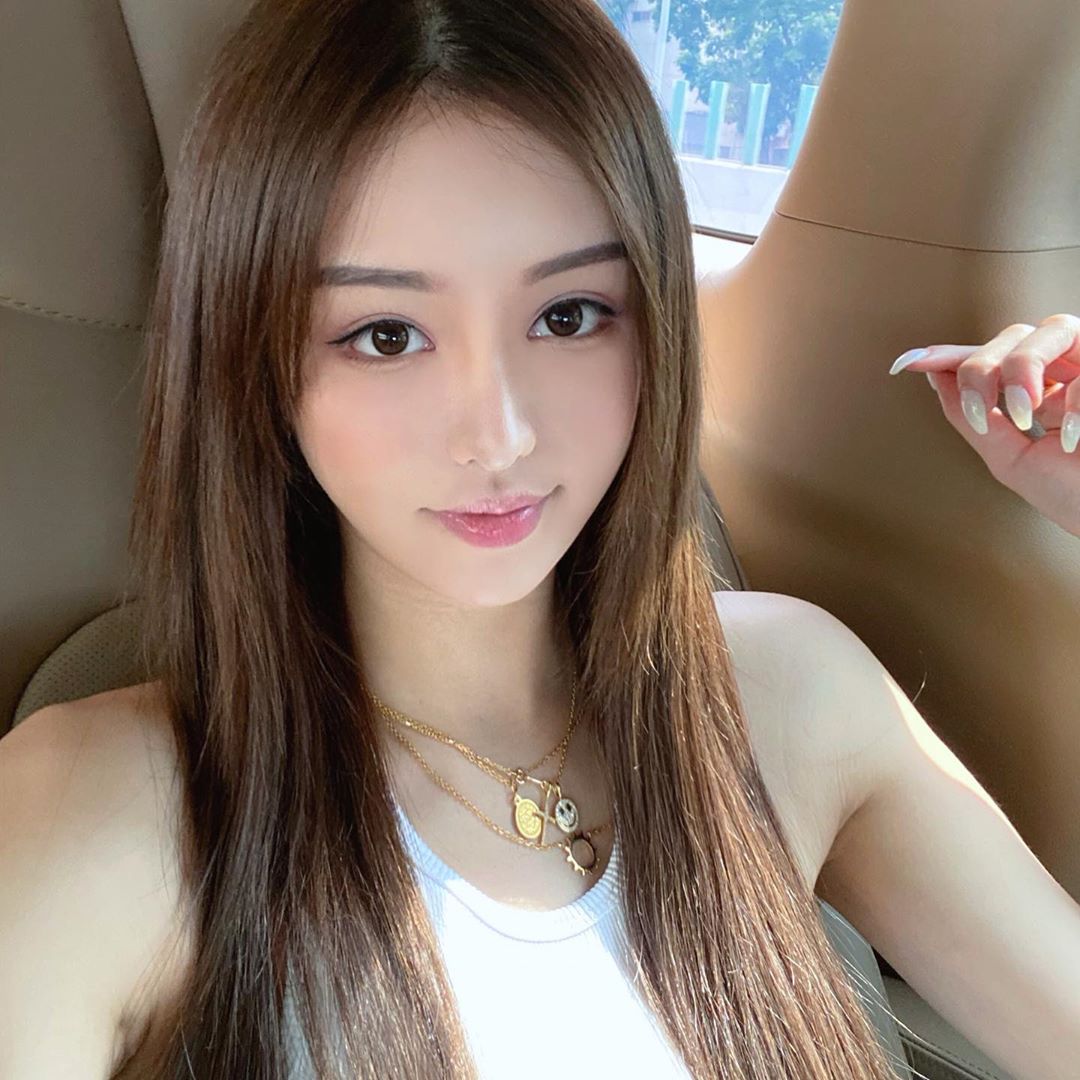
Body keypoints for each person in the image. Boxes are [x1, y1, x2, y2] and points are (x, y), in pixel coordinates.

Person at [2, 1, 1076, 1077]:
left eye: (568, 315)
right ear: (257, 360)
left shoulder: (793, 697)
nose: (500, 435)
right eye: (386, 335)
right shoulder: (97, 814)